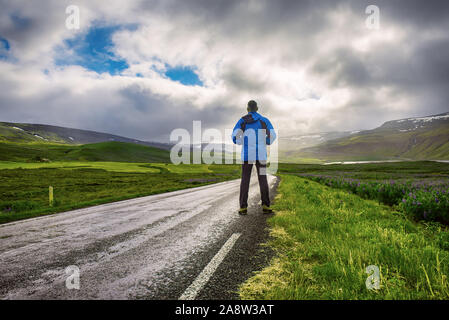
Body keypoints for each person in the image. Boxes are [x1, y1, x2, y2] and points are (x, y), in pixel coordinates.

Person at [231, 100, 276, 215]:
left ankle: (243, 207)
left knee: (245, 180)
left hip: (247, 155)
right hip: (261, 155)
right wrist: (266, 141)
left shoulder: (243, 121)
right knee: (262, 179)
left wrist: (242, 141)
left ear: (247, 109)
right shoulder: (264, 121)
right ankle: (266, 206)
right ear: (257, 108)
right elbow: (273, 135)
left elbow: (235, 137)